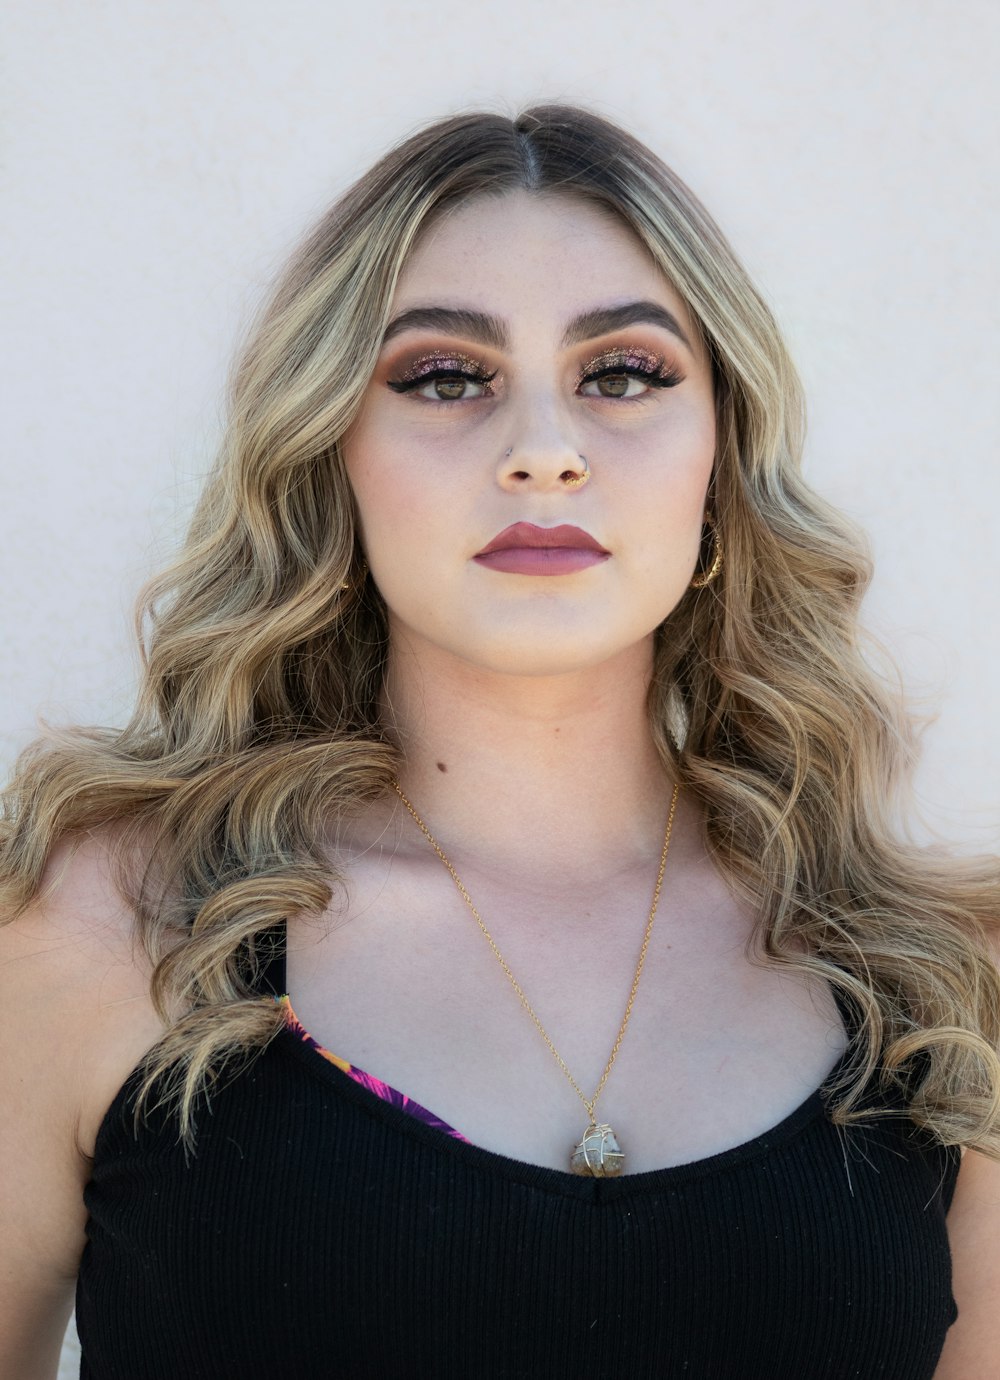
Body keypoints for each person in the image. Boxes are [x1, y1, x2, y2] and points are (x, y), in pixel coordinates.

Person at [1, 105, 998, 1380]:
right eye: (443, 377)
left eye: (623, 374)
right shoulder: (106, 931)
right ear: (331, 452)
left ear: (721, 458)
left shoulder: (939, 997)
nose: (543, 454)